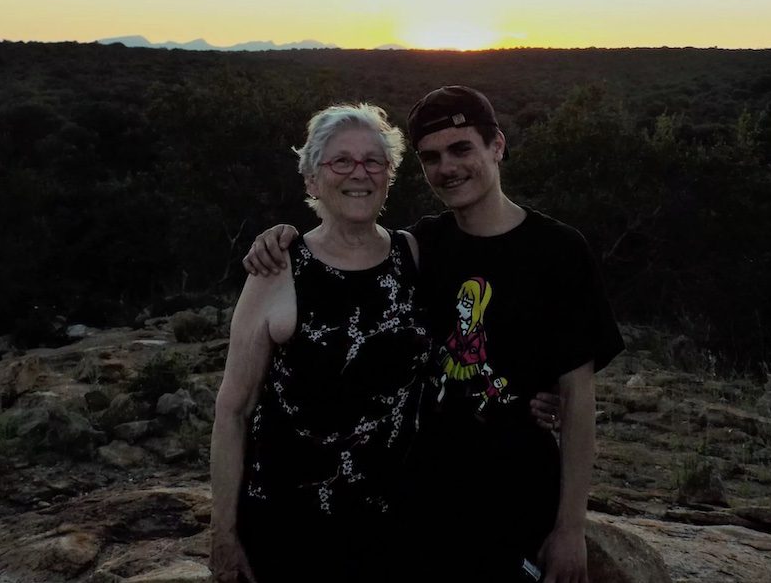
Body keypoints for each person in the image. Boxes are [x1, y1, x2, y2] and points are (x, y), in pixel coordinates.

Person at [244, 86, 624, 583]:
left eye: (462, 148)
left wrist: (571, 528)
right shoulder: (422, 245)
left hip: (518, 496)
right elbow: (349, 246)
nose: (448, 167)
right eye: (431, 157)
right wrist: (281, 236)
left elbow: (578, 398)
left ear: (497, 146)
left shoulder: (559, 252)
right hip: (418, 500)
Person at [209, 103, 430, 583]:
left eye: (375, 161)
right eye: (341, 161)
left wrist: (537, 395)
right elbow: (233, 411)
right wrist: (223, 533)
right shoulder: (278, 267)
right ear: (311, 180)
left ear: (389, 176)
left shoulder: (412, 254)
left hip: (394, 524)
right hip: (290, 528)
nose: (360, 173)